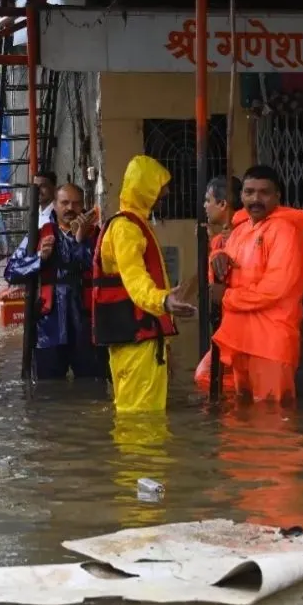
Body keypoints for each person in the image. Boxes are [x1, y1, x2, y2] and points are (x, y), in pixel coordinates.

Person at [90, 155, 196, 413]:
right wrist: (164, 300)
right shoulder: (126, 229)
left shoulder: (134, 225)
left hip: (140, 338)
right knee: (140, 416)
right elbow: (136, 281)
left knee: (140, 413)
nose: (167, 193)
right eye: (161, 186)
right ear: (145, 188)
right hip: (136, 339)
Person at [209, 165, 303, 402]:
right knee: (242, 423)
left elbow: (275, 289)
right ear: (241, 195)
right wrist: (218, 258)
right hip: (240, 337)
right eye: (249, 192)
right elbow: (221, 271)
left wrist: (226, 296)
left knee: (271, 423)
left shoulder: (286, 232)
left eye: (264, 192)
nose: (256, 199)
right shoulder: (240, 231)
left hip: (270, 343)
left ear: (278, 196)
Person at [3, 182, 107, 380]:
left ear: (84, 205)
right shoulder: (41, 235)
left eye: (76, 203)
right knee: (46, 393)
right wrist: (38, 259)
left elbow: (104, 268)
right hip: (48, 329)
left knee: (94, 389)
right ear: (55, 204)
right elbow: (10, 272)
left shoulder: (97, 236)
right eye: (65, 203)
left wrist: (79, 240)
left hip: (86, 327)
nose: (70, 208)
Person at [195, 175, 245, 391]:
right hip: (226, 323)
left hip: (240, 324)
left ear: (223, 204)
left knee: (206, 376)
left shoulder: (244, 236)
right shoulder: (218, 240)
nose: (205, 205)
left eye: (208, 200)